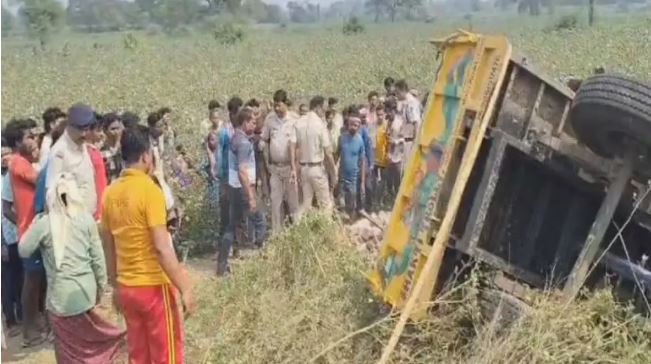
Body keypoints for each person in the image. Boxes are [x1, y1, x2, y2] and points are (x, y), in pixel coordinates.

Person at [100, 126, 193, 364]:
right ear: (145, 156)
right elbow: (162, 248)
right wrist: (184, 286)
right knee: (166, 356)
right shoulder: (149, 190)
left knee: (139, 356)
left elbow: (108, 246)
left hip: (128, 288)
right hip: (153, 288)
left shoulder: (110, 193)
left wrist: (116, 287)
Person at [19, 173, 124, 363]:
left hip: (60, 302)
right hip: (85, 295)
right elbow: (98, 260)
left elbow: (24, 250)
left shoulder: (44, 224)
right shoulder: (85, 220)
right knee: (88, 348)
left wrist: (35, 222)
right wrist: (100, 290)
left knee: (69, 356)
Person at [5, 118, 45, 347]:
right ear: (17, 142)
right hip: (30, 231)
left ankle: (36, 326)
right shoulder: (19, 163)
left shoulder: (23, 162)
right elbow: (42, 180)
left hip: (32, 229)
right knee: (31, 282)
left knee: (37, 281)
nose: (33, 140)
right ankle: (30, 332)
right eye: (29, 137)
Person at [218, 108, 267, 276]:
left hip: (233, 188)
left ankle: (222, 265)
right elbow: (242, 171)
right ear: (245, 122)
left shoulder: (235, 138)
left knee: (231, 227)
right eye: (253, 122)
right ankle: (265, 262)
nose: (255, 125)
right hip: (242, 189)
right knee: (260, 222)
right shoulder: (244, 143)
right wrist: (251, 196)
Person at [46, 103, 97, 216]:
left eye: (86, 129)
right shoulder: (59, 153)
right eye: (80, 129)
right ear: (69, 126)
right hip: (71, 221)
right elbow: (51, 194)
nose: (84, 134)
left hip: (88, 217)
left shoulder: (82, 145)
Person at [261, 89, 299, 232]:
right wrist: (267, 163)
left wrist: (297, 167)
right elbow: (264, 140)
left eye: (279, 105)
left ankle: (297, 234)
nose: (276, 108)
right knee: (276, 203)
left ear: (285, 104)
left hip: (290, 169)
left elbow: (299, 144)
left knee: (293, 203)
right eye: (275, 105)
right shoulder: (270, 120)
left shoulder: (294, 120)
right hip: (275, 169)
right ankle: (277, 237)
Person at [293, 96, 337, 213]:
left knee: (306, 203)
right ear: (317, 108)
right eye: (323, 109)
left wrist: (296, 169)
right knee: (325, 203)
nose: (324, 112)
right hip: (317, 168)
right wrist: (333, 172)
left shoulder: (299, 122)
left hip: (304, 168)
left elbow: (295, 147)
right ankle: (327, 229)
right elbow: (328, 152)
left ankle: (300, 227)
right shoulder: (320, 125)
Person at [1, 144, 22, 338]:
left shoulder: (12, 177)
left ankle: (23, 316)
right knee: (7, 282)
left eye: (8, 154)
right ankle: (11, 320)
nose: (5, 158)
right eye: (2, 155)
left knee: (20, 279)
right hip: (6, 238)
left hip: (18, 236)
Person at [217, 97, 241, 241]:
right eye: (237, 113)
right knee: (227, 211)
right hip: (227, 176)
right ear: (232, 114)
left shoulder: (241, 130)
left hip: (239, 176)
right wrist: (222, 177)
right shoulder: (225, 132)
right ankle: (226, 243)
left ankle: (238, 242)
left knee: (238, 211)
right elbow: (220, 154)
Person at [337, 115, 366, 219]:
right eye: (352, 124)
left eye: (356, 125)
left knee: (352, 200)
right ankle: (341, 223)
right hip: (342, 175)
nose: (354, 127)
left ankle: (351, 221)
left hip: (353, 176)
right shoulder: (341, 138)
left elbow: (362, 161)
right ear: (348, 125)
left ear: (359, 127)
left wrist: (362, 182)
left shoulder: (360, 140)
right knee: (340, 201)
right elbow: (337, 155)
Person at [395, 79, 422, 163]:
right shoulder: (405, 103)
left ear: (403, 90)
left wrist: (415, 142)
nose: (396, 95)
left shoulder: (412, 103)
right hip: (405, 140)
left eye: (397, 92)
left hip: (410, 141)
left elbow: (416, 123)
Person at [87, 122, 107, 220]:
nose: (101, 134)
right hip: (95, 203)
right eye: (98, 131)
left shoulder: (94, 150)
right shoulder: (87, 152)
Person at [385, 98, 404, 198]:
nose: (387, 113)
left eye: (388, 110)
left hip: (397, 156)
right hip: (388, 156)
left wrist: (396, 142)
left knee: (397, 179)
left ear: (393, 110)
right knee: (388, 179)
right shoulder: (387, 122)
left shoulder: (399, 122)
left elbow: (405, 138)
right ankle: (389, 197)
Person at [100, 113, 124, 183]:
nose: (116, 132)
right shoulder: (102, 149)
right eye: (113, 129)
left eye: (118, 128)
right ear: (105, 130)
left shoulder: (125, 147)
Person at [373, 104, 389, 208]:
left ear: (384, 114)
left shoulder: (387, 126)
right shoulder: (373, 126)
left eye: (381, 114)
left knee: (383, 180)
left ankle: (381, 200)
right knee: (374, 180)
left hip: (384, 157)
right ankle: (375, 199)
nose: (380, 117)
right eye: (378, 115)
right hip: (374, 158)